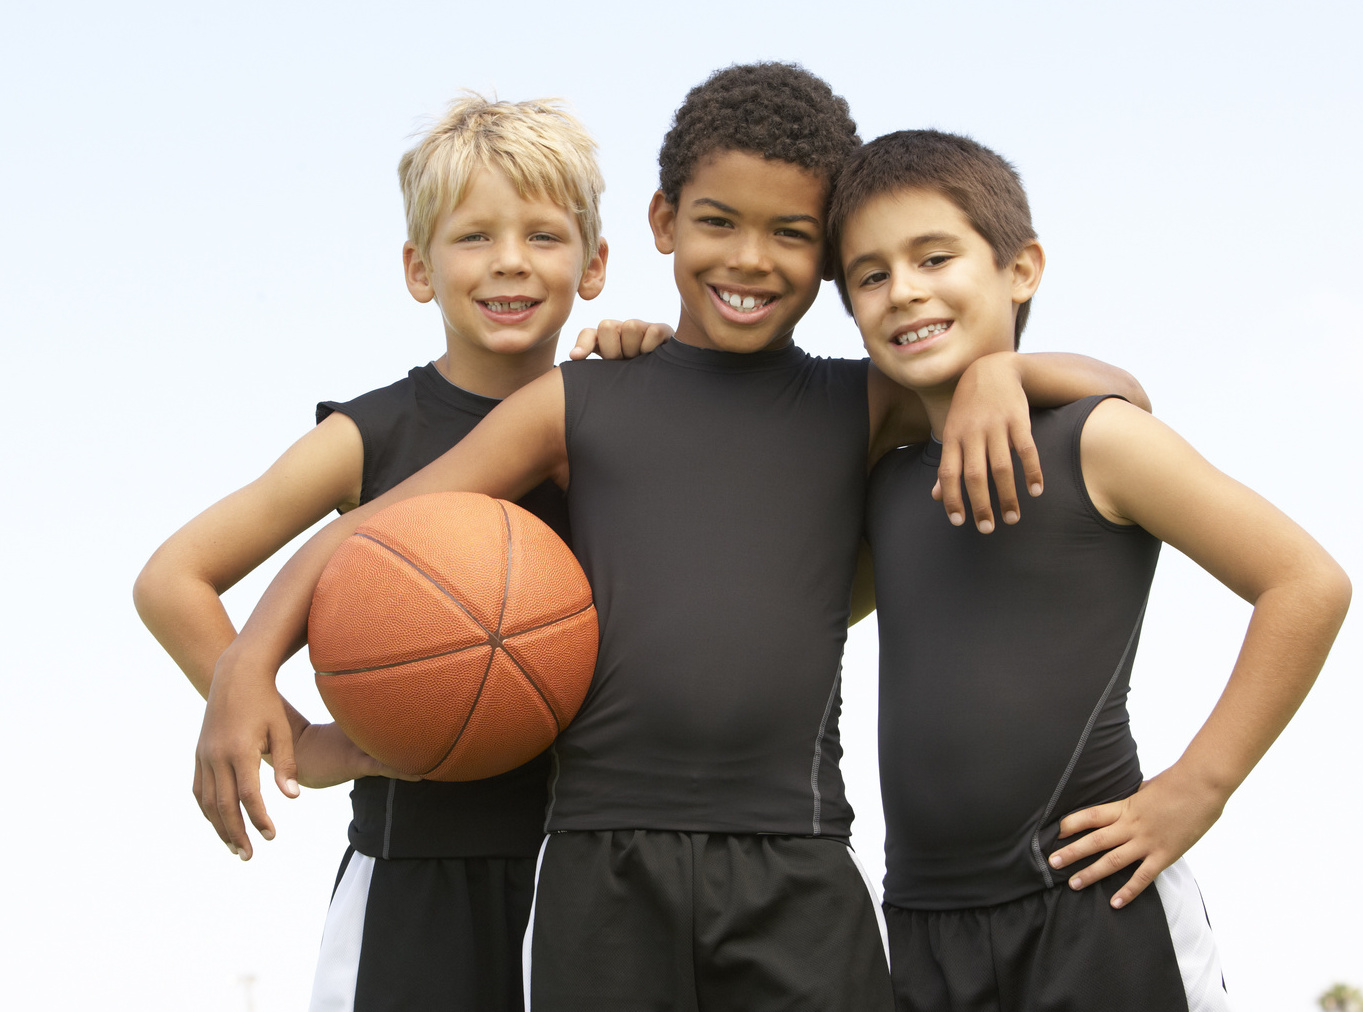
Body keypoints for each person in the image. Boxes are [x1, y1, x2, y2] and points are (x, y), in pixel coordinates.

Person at [192, 64, 1145, 1011]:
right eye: (718, 222)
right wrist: (247, 667)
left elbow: (1121, 394)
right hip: (599, 865)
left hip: (800, 857)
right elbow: (372, 533)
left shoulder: (862, 399)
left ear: (827, 255)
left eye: (792, 235)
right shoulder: (577, 402)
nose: (750, 259)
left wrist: (999, 375)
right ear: (662, 224)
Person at [134, 93, 667, 1011]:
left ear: (595, 265)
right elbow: (172, 578)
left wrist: (657, 360)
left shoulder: (623, 411)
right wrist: (285, 726)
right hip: (415, 870)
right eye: (474, 238)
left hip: (598, 861)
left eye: (544, 236)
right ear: (419, 270)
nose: (510, 262)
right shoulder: (372, 433)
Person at [828, 128, 1352, 1011]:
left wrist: (1197, 788)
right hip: (923, 930)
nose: (904, 290)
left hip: (1099, 908)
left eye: (934, 256)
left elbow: (1307, 583)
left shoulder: (1095, 440)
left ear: (1021, 269)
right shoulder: (883, 485)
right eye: (871, 275)